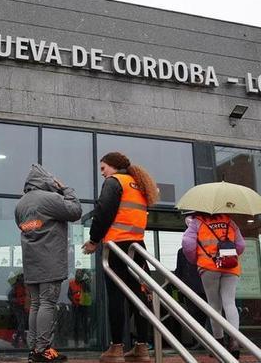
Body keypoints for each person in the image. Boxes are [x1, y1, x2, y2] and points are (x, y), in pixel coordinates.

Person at [82, 152, 159, 363]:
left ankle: (116, 348)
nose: (102, 172)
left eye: (103, 168)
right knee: (139, 295)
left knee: (116, 296)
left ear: (113, 167)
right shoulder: (138, 184)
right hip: (137, 246)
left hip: (116, 246)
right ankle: (142, 347)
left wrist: (93, 240)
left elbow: (103, 212)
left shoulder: (114, 182)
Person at [15, 163, 82, 362]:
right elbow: (75, 211)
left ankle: (35, 349)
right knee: (47, 303)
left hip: (31, 261)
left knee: (36, 303)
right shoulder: (49, 198)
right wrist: (65, 189)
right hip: (49, 260)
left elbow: (23, 226)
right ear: (45, 181)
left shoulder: (21, 204)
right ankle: (43, 349)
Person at [181, 212, 245, 359]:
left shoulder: (197, 222)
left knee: (214, 305)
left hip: (208, 266)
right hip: (231, 266)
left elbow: (188, 244)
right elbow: (241, 245)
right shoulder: (230, 222)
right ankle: (234, 341)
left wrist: (194, 259)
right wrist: (229, 254)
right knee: (230, 303)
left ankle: (219, 343)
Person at [7, 272, 30, 349]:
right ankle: (23, 341)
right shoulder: (17, 287)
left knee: (21, 324)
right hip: (18, 307)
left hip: (24, 307)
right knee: (22, 324)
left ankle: (16, 341)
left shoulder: (23, 287)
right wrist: (19, 301)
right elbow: (10, 297)